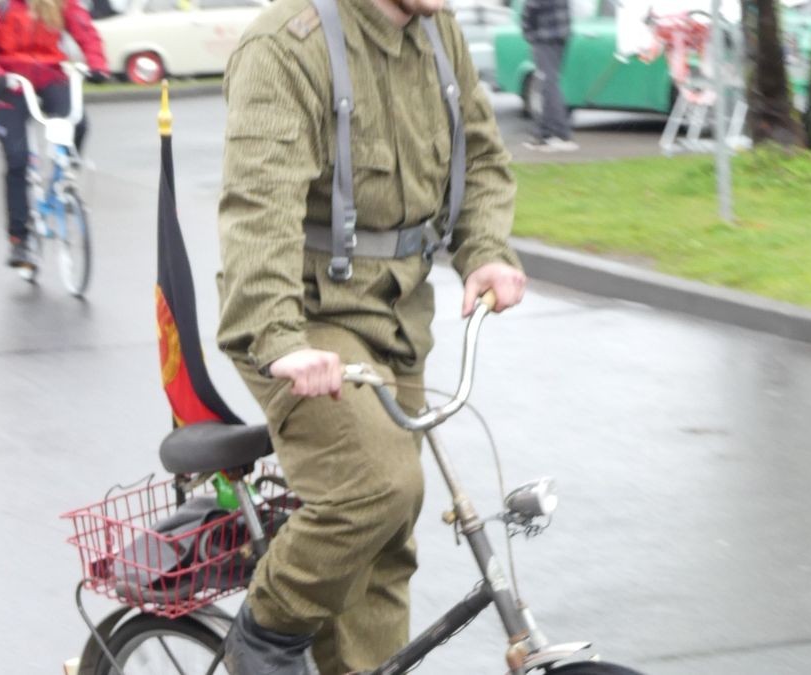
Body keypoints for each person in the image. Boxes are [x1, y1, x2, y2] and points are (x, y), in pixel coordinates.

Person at [216, 0, 527, 671]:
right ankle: (265, 634)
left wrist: (486, 250)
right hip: (305, 314)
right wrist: (280, 338)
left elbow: (479, 156)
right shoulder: (285, 44)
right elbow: (258, 207)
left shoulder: (437, 33)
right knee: (378, 486)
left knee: (386, 543)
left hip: (400, 312)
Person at [0, 0, 110, 270]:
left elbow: (85, 32)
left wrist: (97, 64)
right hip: (9, 82)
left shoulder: (59, 3)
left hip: (49, 74)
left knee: (77, 123)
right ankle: (19, 238)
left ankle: (64, 176)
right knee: (17, 159)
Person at [521, 0, 577, 152]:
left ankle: (559, 133)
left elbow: (531, 8)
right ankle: (544, 133)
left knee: (548, 84)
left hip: (544, 36)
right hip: (561, 35)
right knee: (549, 83)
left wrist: (527, 32)